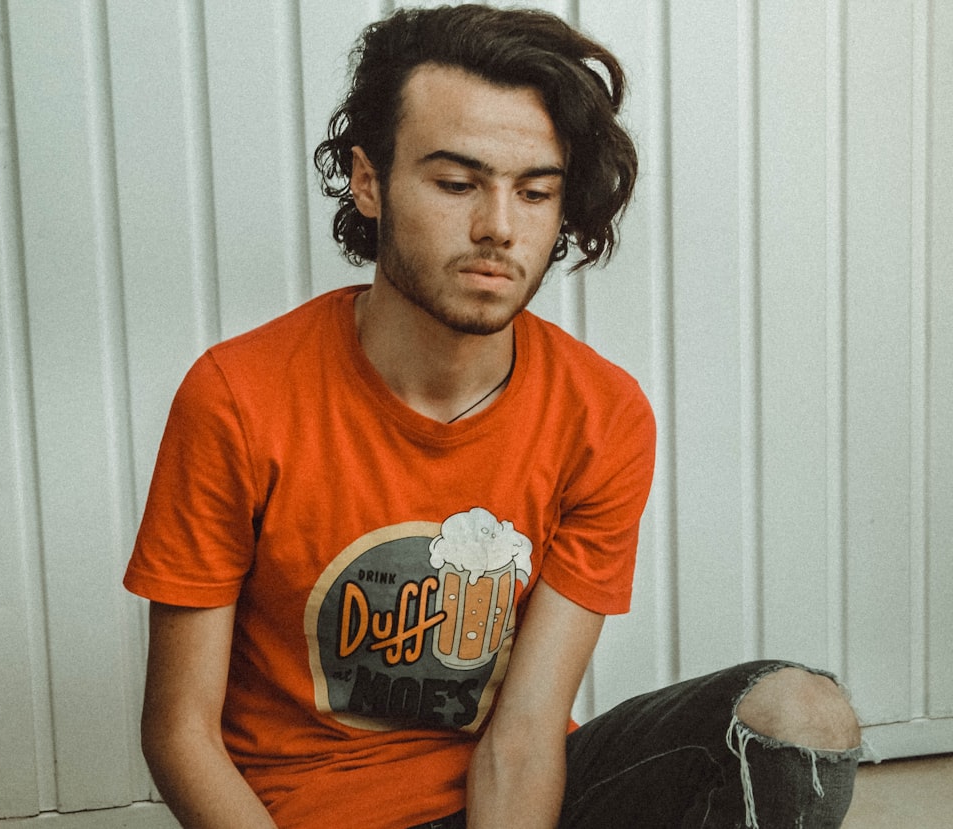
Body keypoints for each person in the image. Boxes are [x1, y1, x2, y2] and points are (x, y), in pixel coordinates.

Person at [123, 5, 863, 828]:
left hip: (517, 799)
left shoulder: (601, 414)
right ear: (369, 181)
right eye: (455, 183)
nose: (499, 228)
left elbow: (524, 728)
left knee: (803, 716)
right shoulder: (238, 396)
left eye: (535, 191)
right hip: (309, 811)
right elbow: (180, 730)